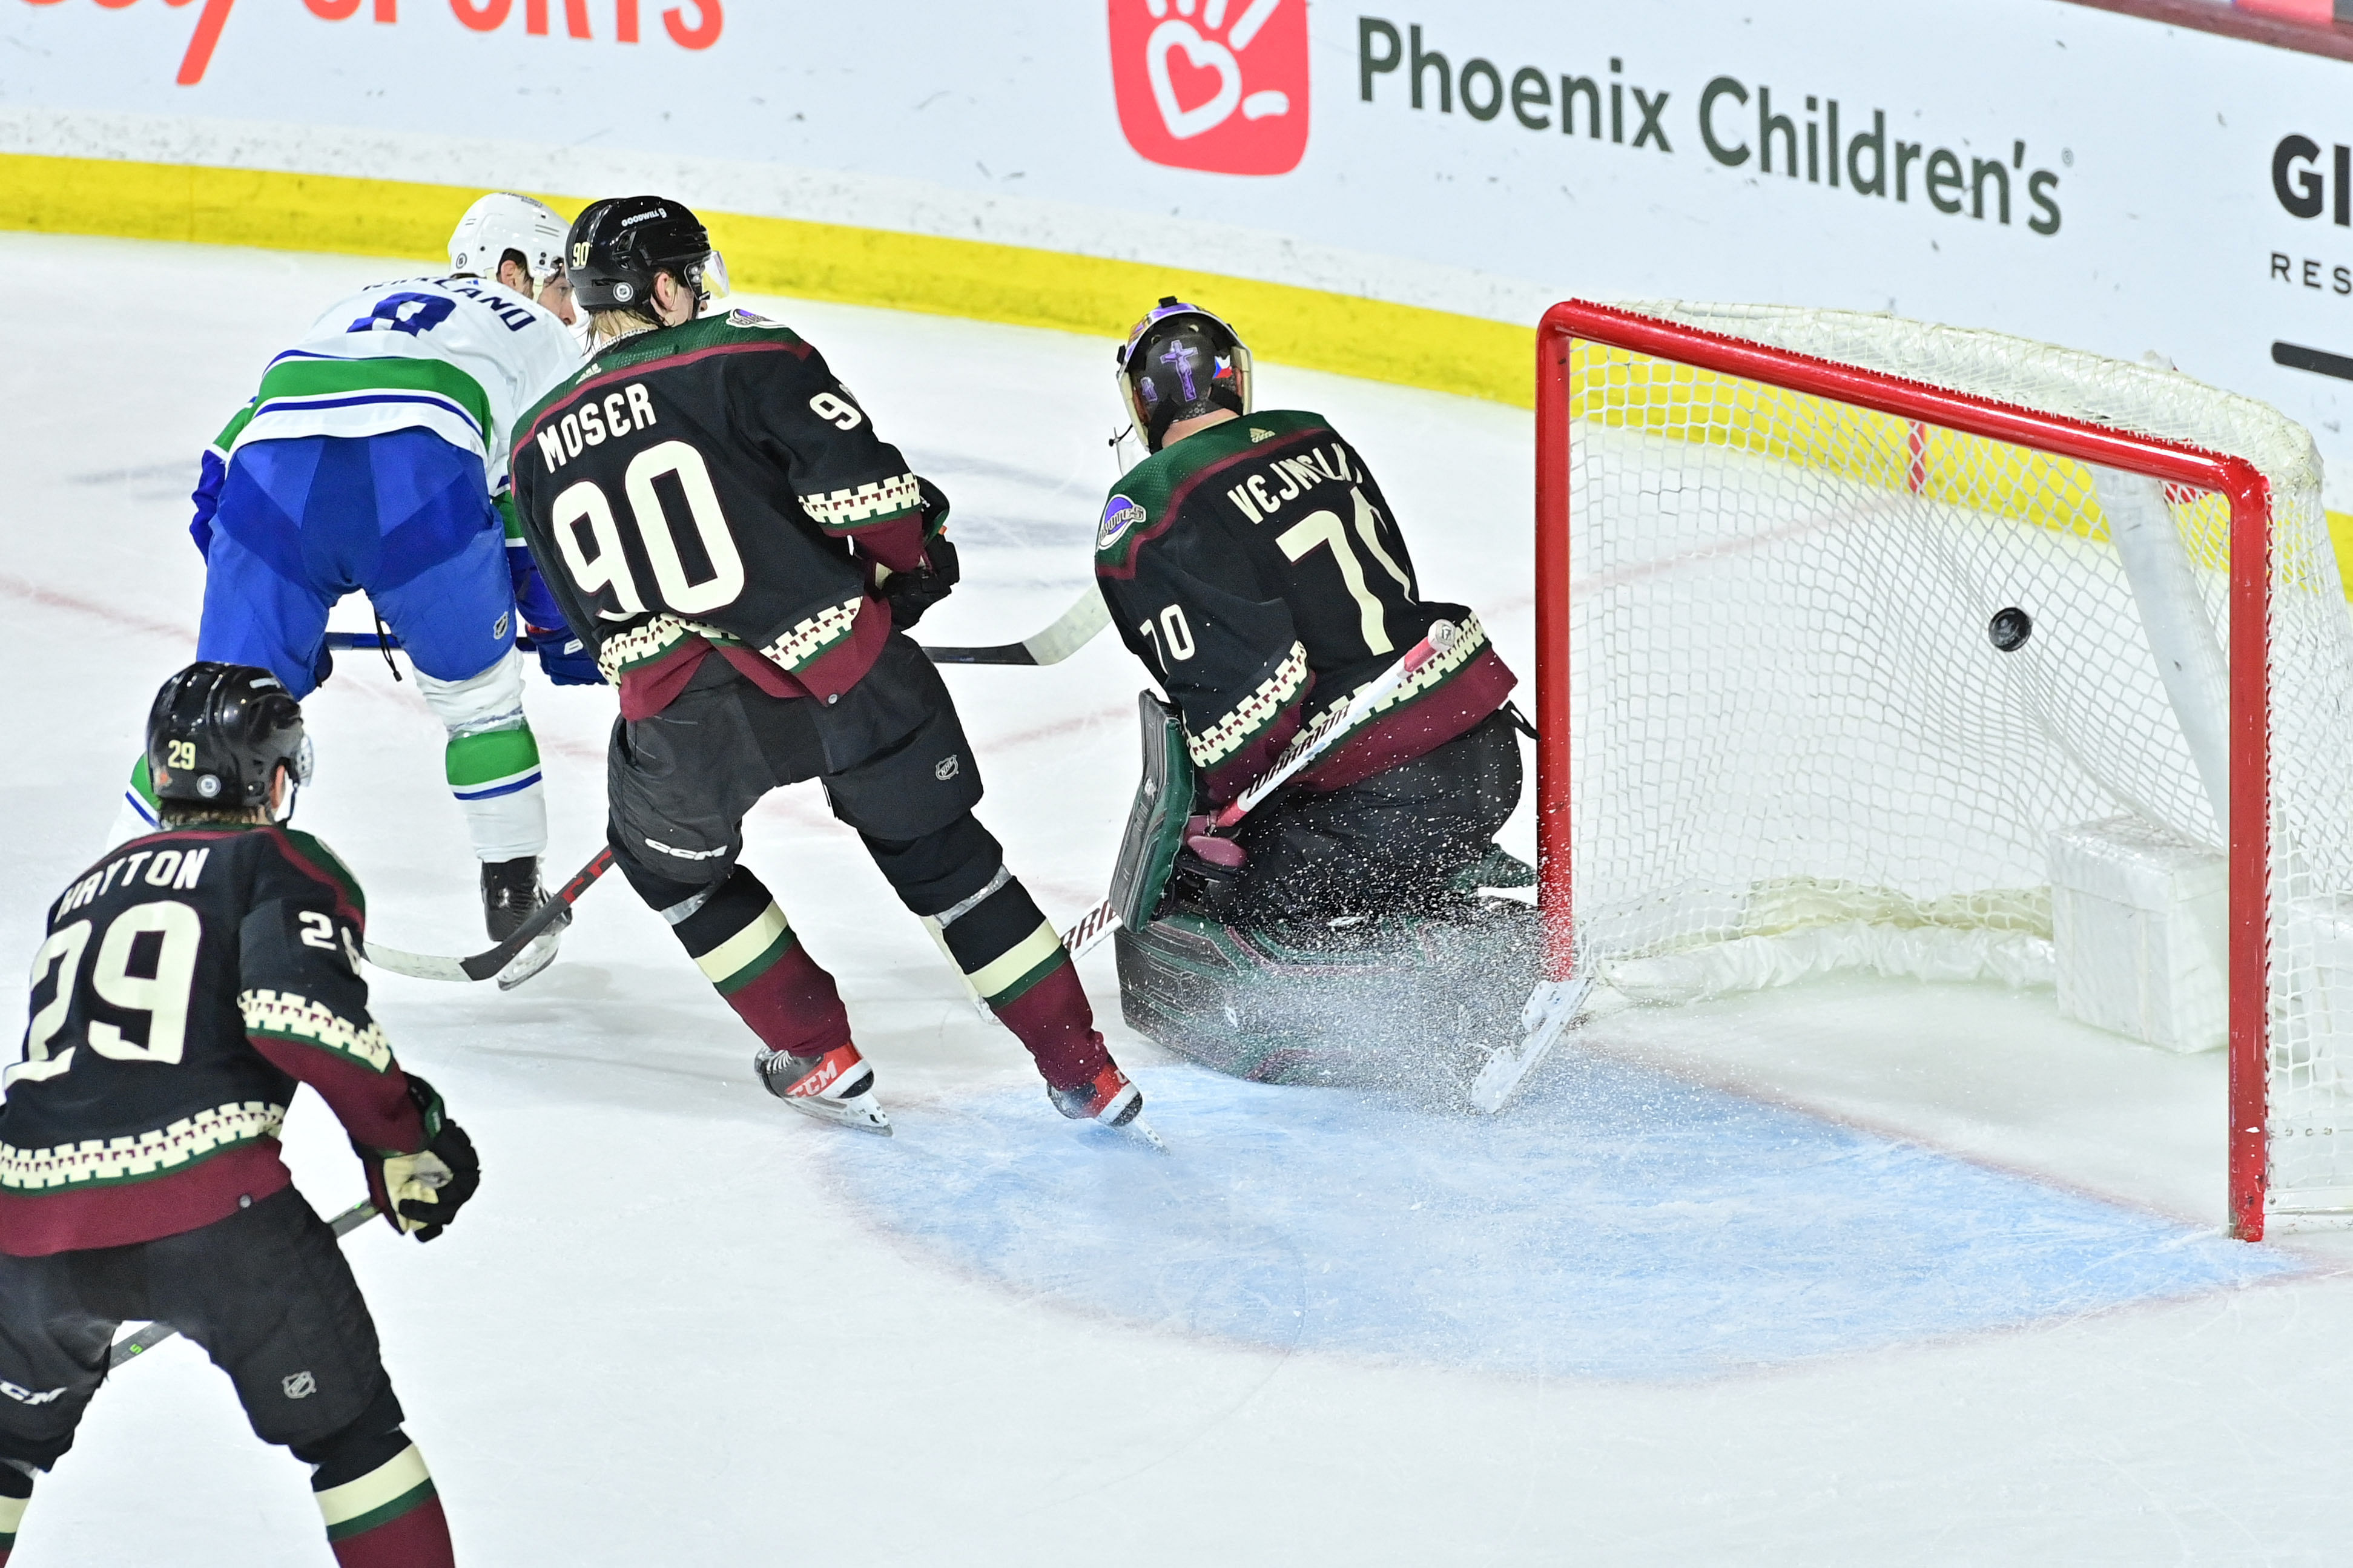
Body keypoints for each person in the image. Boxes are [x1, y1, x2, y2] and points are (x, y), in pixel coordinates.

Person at [506, 194, 1149, 1138]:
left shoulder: (530, 443)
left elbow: (592, 627)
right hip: (845, 672)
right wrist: (912, 561)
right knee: (943, 858)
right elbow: (880, 512)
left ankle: (817, 1051)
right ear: (664, 287)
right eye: (689, 275)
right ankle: (1082, 1070)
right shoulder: (751, 353)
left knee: (674, 873)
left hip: (682, 720)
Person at [2, 663, 481, 1567]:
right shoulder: (277, 860)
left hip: (25, 1222)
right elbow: (300, 1020)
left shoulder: (84, 889)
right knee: (355, 1441)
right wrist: (401, 1140)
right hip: (216, 1214)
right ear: (269, 777)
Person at [111, 192, 596, 947]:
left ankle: (121, 885)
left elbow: (218, 477)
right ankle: (514, 905)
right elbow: (533, 510)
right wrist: (560, 629)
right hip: (417, 483)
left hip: (271, 488)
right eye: (563, 287)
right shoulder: (542, 335)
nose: (571, 311)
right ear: (514, 270)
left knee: (213, 710)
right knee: (482, 704)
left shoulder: (354, 304)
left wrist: (273, 610)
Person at [1094, 298, 1525, 931]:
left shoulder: (1147, 504)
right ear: (1232, 376)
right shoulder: (1315, 436)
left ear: (1141, 401)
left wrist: (1216, 812)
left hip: (1379, 793)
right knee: (1383, 875)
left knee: (1222, 905)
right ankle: (1463, 934)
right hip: (1487, 756)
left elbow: (1252, 701)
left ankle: (1422, 988)